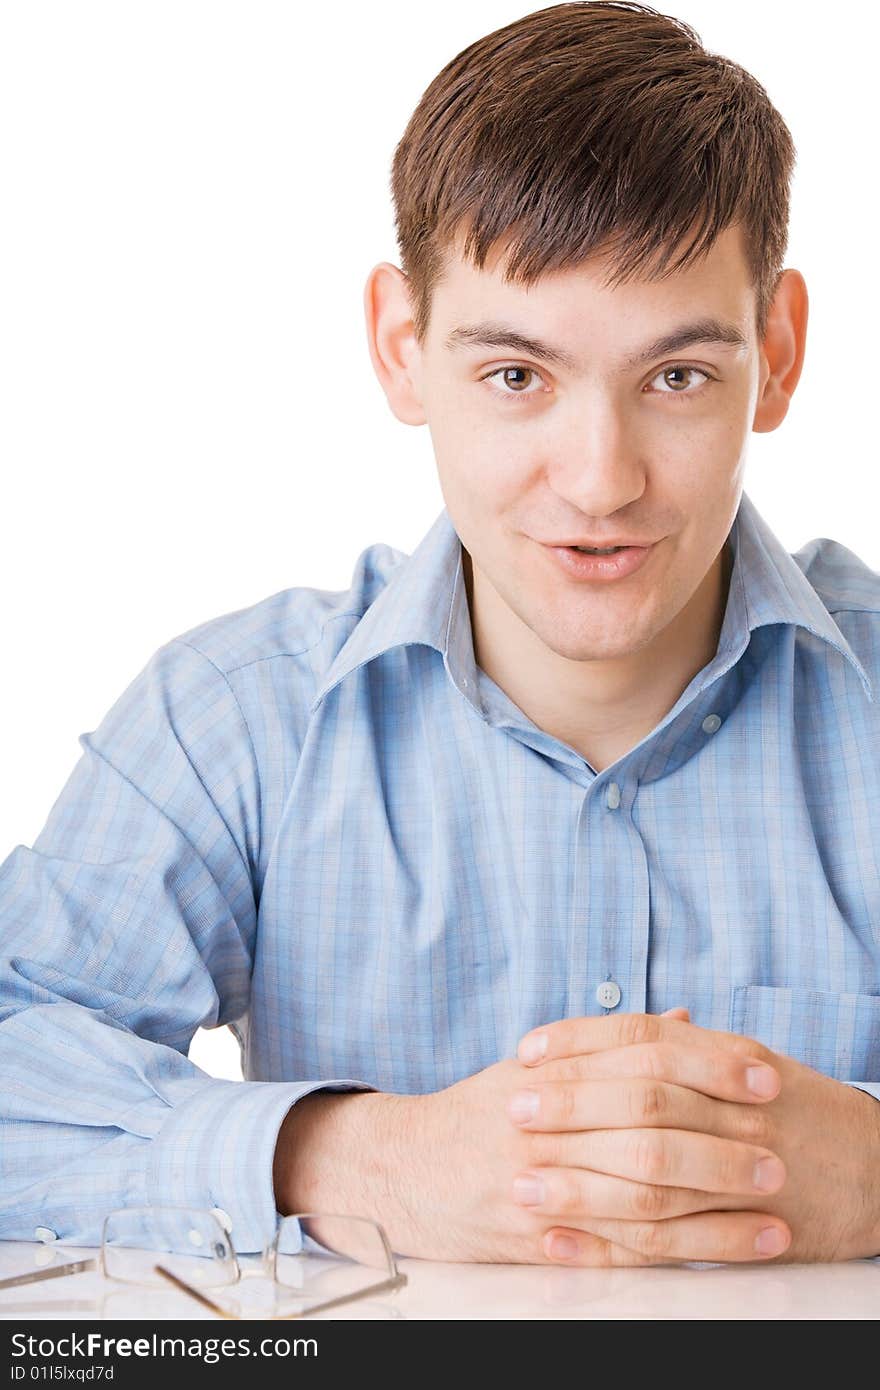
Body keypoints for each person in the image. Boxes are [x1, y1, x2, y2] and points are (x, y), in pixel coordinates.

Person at [1, 1, 878, 1273]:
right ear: (402, 350)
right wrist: (353, 1156)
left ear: (778, 353)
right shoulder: (233, 718)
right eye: (516, 375)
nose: (598, 479)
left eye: (676, 377)